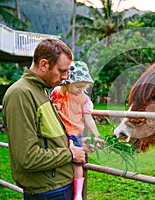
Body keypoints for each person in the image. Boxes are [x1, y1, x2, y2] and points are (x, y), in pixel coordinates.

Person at [2, 38, 86, 200]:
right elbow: (27, 158)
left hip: (58, 186)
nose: (65, 77)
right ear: (44, 65)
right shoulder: (21, 94)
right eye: (62, 71)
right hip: (48, 192)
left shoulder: (40, 90)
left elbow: (47, 136)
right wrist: (70, 154)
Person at [51, 61, 104, 200]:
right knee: (60, 158)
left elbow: (88, 119)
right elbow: (49, 108)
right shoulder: (57, 93)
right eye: (78, 86)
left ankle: (78, 194)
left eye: (83, 87)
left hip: (75, 133)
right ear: (68, 82)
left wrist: (97, 135)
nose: (81, 89)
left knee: (78, 162)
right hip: (59, 132)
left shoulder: (84, 99)